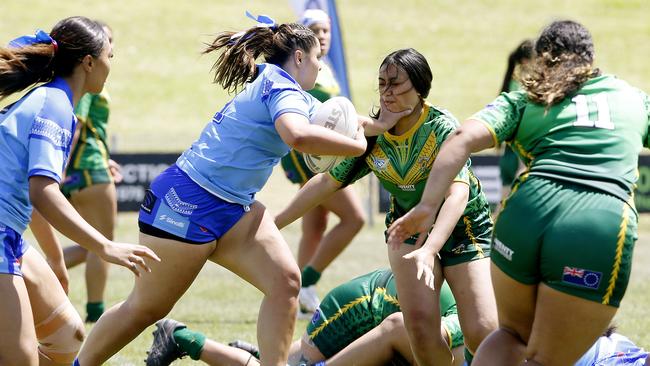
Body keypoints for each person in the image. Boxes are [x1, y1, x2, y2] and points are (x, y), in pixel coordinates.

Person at [73, 12, 408, 366]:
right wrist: (356, 148)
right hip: (188, 199)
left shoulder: (285, 87)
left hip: (234, 206)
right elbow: (296, 134)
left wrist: (383, 123)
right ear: (298, 57)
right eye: (316, 59)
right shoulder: (280, 86)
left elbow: (345, 121)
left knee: (286, 283)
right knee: (145, 307)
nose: (320, 66)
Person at [386, 20, 648, 365]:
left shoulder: (526, 99)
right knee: (546, 358)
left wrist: (426, 205)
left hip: (524, 215)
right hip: (596, 223)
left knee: (510, 336)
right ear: (591, 58)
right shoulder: (632, 98)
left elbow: (461, 137)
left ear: (541, 60)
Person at [275, 48, 497, 366]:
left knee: (482, 330)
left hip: (464, 231)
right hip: (407, 231)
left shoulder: (441, 128)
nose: (386, 92)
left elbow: (457, 196)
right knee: (420, 329)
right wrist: (274, 222)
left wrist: (431, 248)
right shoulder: (371, 135)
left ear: (420, 88)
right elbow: (326, 183)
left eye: (395, 84)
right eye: (381, 83)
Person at [0, 16, 159, 366]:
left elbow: (31, 193)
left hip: (9, 234)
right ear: (89, 62)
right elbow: (43, 191)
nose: (110, 66)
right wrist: (105, 246)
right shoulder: (55, 105)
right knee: (22, 359)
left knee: (67, 335)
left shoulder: (53, 100)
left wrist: (56, 259)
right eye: (109, 57)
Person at [145, 267, 465, 366]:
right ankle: (181, 337)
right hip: (360, 308)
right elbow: (395, 328)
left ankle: (264, 353)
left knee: (290, 358)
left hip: (381, 308)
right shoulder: (480, 330)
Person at [279, 8, 365, 316]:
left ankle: (299, 295)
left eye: (327, 30)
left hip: (323, 155)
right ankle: (307, 283)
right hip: (313, 158)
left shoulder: (325, 67)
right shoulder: (303, 71)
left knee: (315, 227)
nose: (324, 35)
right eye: (317, 30)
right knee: (355, 218)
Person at [496, 39, 533, 212]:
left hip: (509, 147)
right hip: (521, 142)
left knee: (502, 201)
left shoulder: (511, 81)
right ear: (527, 61)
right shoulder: (525, 82)